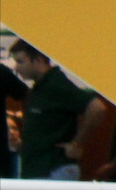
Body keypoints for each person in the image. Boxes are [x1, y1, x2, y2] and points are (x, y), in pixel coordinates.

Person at [6, 40, 109, 182]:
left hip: (53, 170)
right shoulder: (39, 89)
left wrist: (77, 144)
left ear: (39, 59)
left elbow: (97, 108)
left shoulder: (56, 85)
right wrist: (21, 146)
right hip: (38, 170)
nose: (16, 68)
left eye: (21, 62)